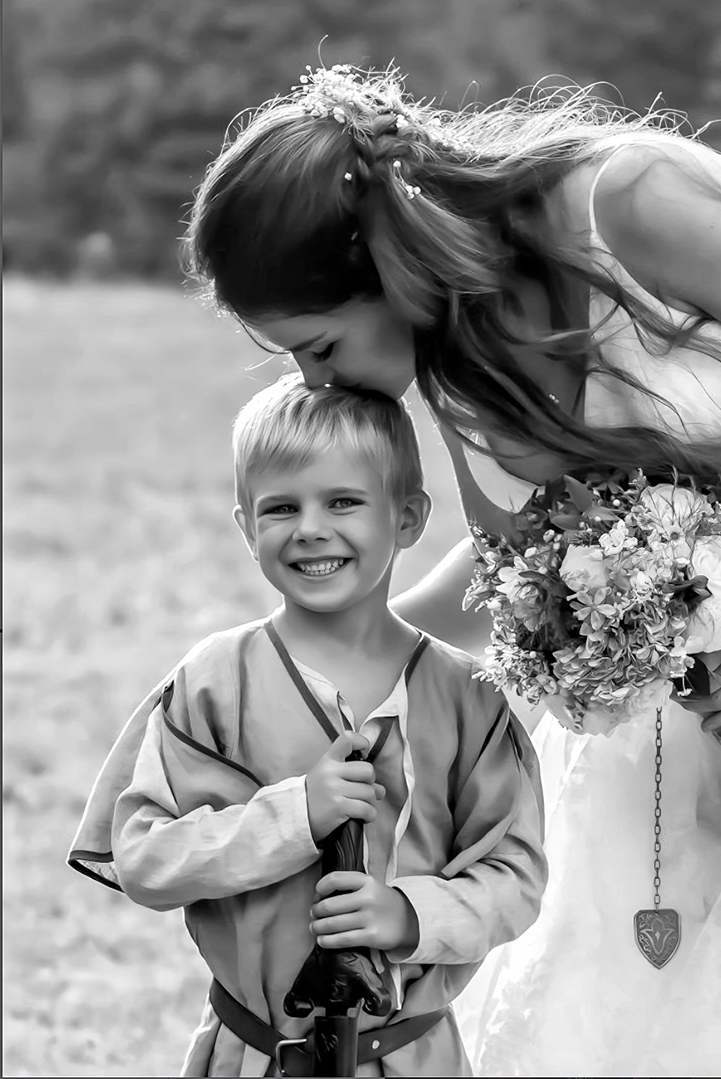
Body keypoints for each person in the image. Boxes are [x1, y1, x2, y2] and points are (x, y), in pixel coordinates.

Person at [182, 65, 721, 1076]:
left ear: (385, 262)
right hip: (697, 700)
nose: (316, 381)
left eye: (317, 344)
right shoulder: (449, 340)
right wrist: (353, 661)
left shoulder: (635, 203)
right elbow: (519, 559)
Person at [68, 374, 546, 1077]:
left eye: (345, 501)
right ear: (245, 526)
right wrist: (296, 817)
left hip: (411, 1059)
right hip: (253, 1057)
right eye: (281, 507)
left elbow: (517, 876)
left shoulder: (468, 698)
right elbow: (144, 859)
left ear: (408, 516)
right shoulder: (213, 681)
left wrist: (408, 914)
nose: (311, 528)